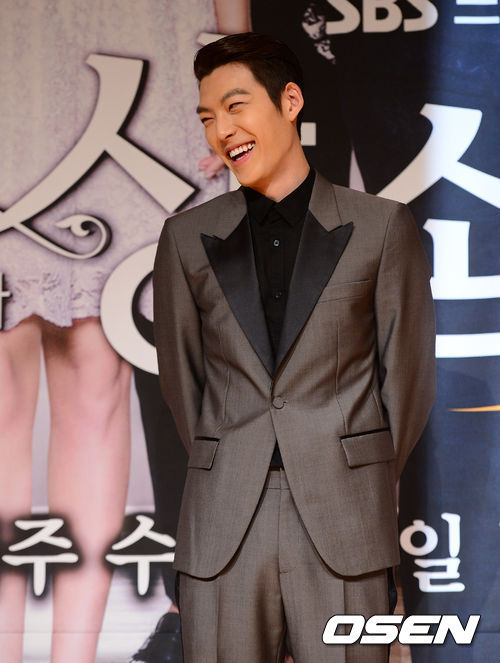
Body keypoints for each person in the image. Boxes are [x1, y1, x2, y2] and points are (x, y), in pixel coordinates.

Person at [153, 32, 436, 663]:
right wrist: (232, 458)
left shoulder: (381, 227)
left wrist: (354, 470)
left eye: (235, 106)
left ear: (289, 101)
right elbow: (182, 383)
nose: (222, 131)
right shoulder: (186, 238)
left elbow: (407, 384)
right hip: (223, 523)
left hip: (345, 521)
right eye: (207, 118)